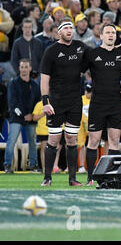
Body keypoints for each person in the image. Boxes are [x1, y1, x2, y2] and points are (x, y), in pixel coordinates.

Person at [39, 17, 88, 187]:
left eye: (71, 28)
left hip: (75, 101)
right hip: (56, 102)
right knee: (53, 139)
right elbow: (44, 79)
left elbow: (98, 56)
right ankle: (47, 177)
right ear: (58, 32)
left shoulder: (80, 47)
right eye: (65, 28)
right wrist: (46, 101)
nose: (69, 30)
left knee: (72, 139)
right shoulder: (51, 51)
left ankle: (72, 178)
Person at [81, 23, 121, 185]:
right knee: (94, 140)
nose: (110, 35)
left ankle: (110, 176)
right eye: (107, 33)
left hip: (116, 104)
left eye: (113, 33)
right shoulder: (92, 53)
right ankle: (90, 177)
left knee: (114, 141)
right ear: (101, 36)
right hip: (98, 103)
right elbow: (78, 71)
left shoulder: (120, 54)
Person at [4, 59, 40, 173]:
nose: (24, 69)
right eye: (22, 67)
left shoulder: (35, 85)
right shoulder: (13, 83)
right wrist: (24, 115)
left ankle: (33, 165)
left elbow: (38, 103)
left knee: (32, 142)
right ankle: (8, 165)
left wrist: (33, 115)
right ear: (19, 68)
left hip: (31, 118)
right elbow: (12, 103)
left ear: (30, 68)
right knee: (11, 141)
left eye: (26, 67)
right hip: (17, 117)